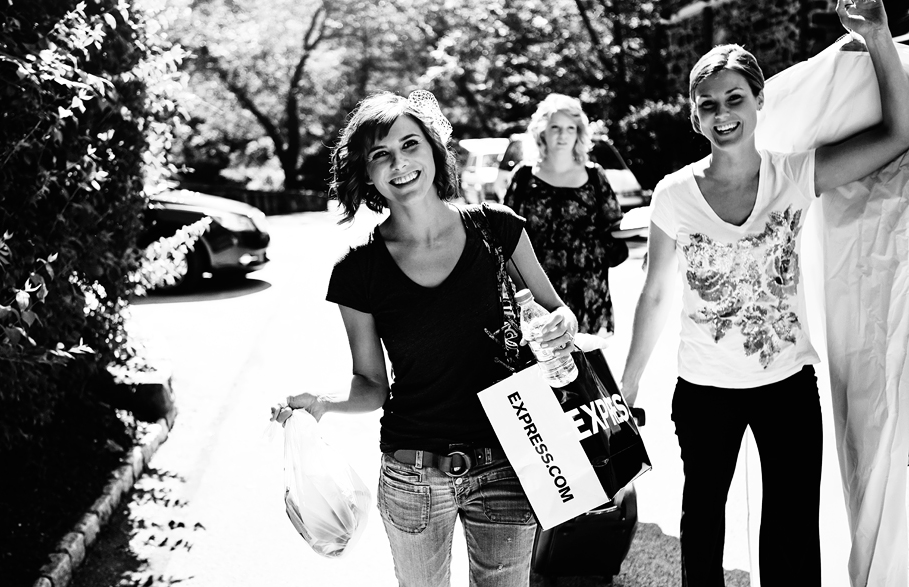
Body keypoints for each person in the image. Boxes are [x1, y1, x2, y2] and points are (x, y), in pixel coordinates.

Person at [618, 1, 909, 585]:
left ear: (758, 103)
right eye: (708, 105)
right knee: (702, 526)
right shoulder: (673, 195)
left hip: (787, 387)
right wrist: (628, 384)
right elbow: (654, 295)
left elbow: (899, 134)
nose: (722, 114)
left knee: (792, 531)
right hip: (704, 391)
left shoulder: (796, 175)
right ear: (694, 117)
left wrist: (878, 36)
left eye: (735, 99)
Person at [276, 90, 579, 587]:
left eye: (410, 145)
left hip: (510, 459)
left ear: (435, 150)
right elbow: (372, 383)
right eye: (381, 154)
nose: (400, 163)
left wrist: (559, 325)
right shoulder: (358, 271)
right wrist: (322, 402)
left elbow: (556, 311)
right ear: (367, 173)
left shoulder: (497, 229)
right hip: (412, 476)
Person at [503, 93, 626, 338]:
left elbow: (615, 229)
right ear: (542, 132)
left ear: (579, 132)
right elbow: (505, 234)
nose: (563, 135)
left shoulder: (595, 176)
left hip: (587, 289)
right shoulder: (524, 177)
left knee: (587, 364)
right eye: (555, 127)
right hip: (538, 289)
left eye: (570, 128)